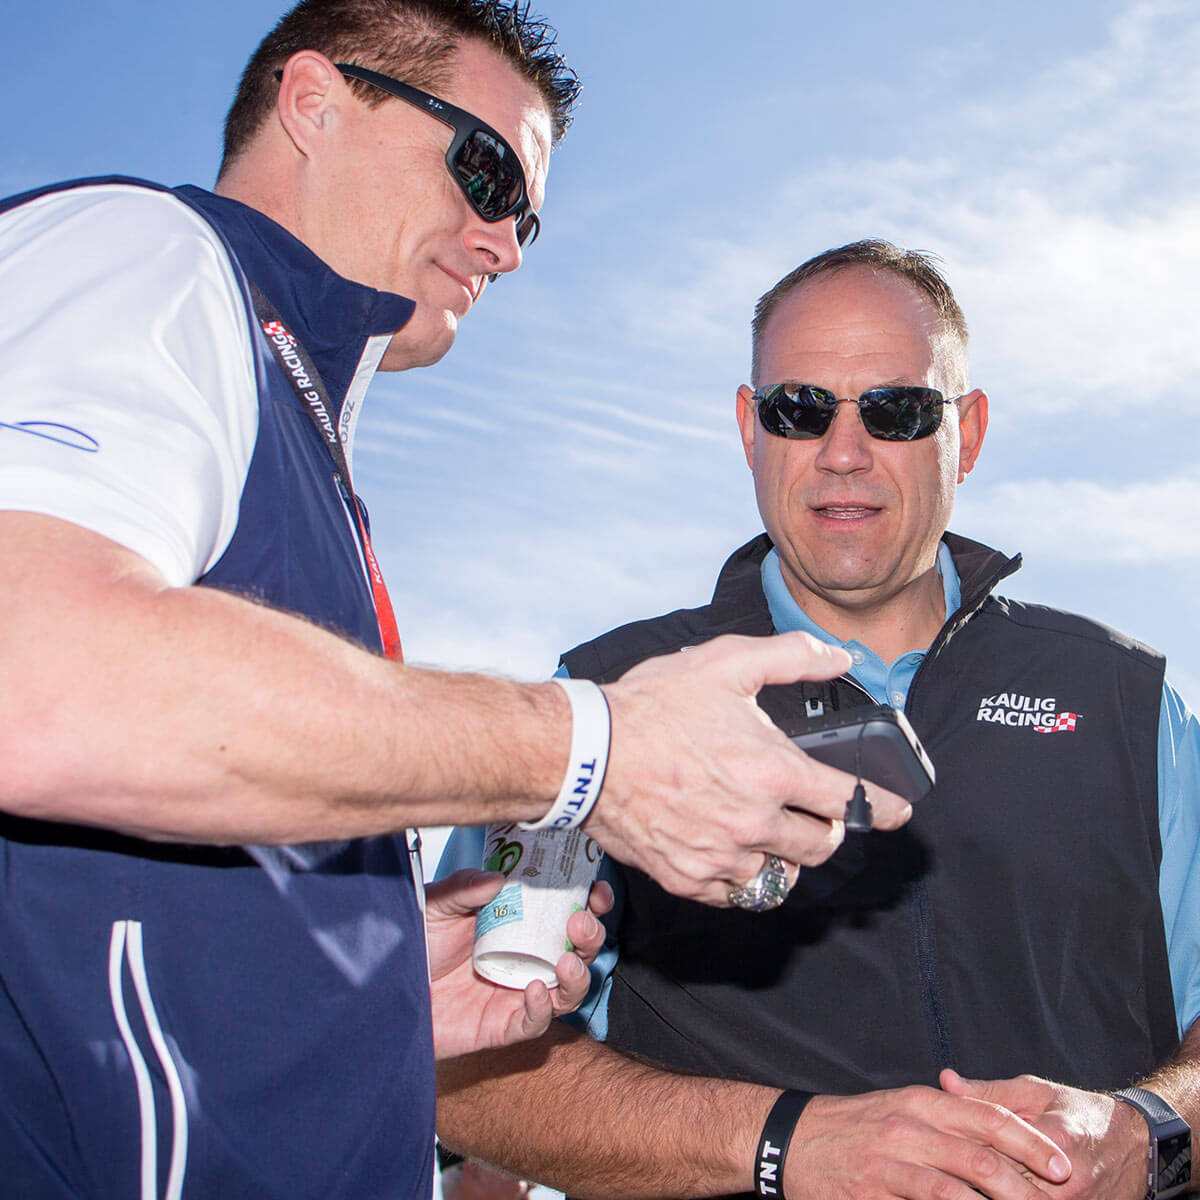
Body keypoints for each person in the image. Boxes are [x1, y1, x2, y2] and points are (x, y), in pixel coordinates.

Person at [0, 4, 917, 1197]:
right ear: (315, 102)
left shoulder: (305, 424)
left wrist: (373, 986)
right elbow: (37, 673)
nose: (506, 244)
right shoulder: (144, 251)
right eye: (485, 171)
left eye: (527, 213)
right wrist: (594, 749)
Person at [436, 240, 1200, 1200]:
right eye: (800, 410)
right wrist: (783, 1146)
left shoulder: (1131, 703)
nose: (844, 453)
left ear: (968, 430)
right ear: (750, 431)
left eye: (895, 411)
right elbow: (459, 1074)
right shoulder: (605, 703)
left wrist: (1142, 1133)